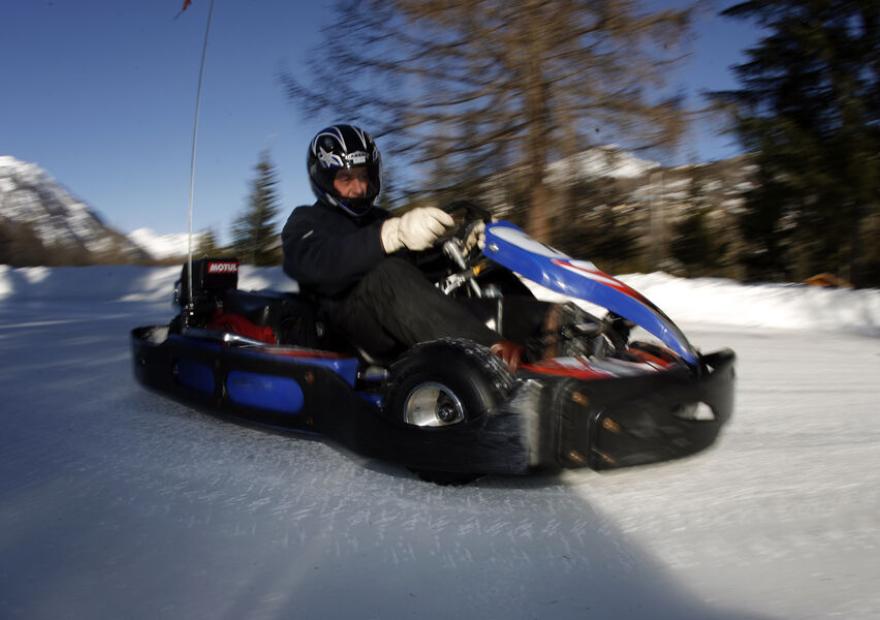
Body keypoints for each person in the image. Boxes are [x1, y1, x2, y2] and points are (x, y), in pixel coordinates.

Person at [281, 124, 524, 371]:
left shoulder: (379, 218)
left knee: (484, 272)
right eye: (346, 178)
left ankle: (546, 328)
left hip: (397, 319)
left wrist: (456, 250)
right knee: (386, 274)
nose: (359, 188)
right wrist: (388, 236)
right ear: (325, 180)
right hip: (344, 328)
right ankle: (489, 357)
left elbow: (415, 269)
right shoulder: (306, 220)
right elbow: (315, 265)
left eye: (363, 176)